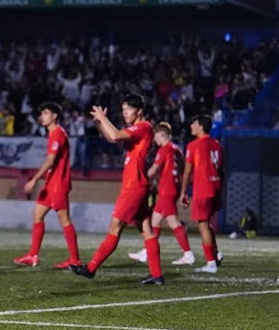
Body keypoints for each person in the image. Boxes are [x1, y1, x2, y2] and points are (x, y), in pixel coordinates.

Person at [71, 93, 164, 284]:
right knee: (146, 229)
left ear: (139, 111)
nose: (125, 113)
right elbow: (112, 136)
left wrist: (104, 118)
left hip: (134, 187)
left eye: (128, 109)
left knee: (115, 227)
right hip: (137, 185)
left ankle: (91, 268)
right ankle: (157, 275)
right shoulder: (137, 129)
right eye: (123, 110)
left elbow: (114, 136)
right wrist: (100, 122)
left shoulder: (143, 127)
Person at [14, 102, 81, 268]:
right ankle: (33, 255)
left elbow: (51, 160)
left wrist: (34, 179)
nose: (41, 116)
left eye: (45, 113)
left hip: (58, 184)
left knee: (64, 219)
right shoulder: (53, 134)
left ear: (54, 116)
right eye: (41, 113)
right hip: (51, 183)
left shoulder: (57, 133)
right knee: (37, 215)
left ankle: (75, 260)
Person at [128, 122, 194, 266]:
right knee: (155, 222)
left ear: (161, 135)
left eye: (155, 137)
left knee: (173, 222)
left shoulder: (164, 150)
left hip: (167, 190)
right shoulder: (177, 150)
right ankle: (147, 252)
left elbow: (153, 170)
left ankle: (188, 254)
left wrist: (141, 180)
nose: (154, 140)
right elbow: (182, 170)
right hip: (173, 189)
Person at [179, 113, 225, 274]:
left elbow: (188, 171)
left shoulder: (194, 146)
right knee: (207, 223)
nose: (191, 126)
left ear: (200, 126)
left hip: (203, 188)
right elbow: (221, 169)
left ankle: (210, 263)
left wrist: (183, 191)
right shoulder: (217, 144)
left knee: (202, 224)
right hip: (216, 187)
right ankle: (216, 253)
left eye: (193, 124)